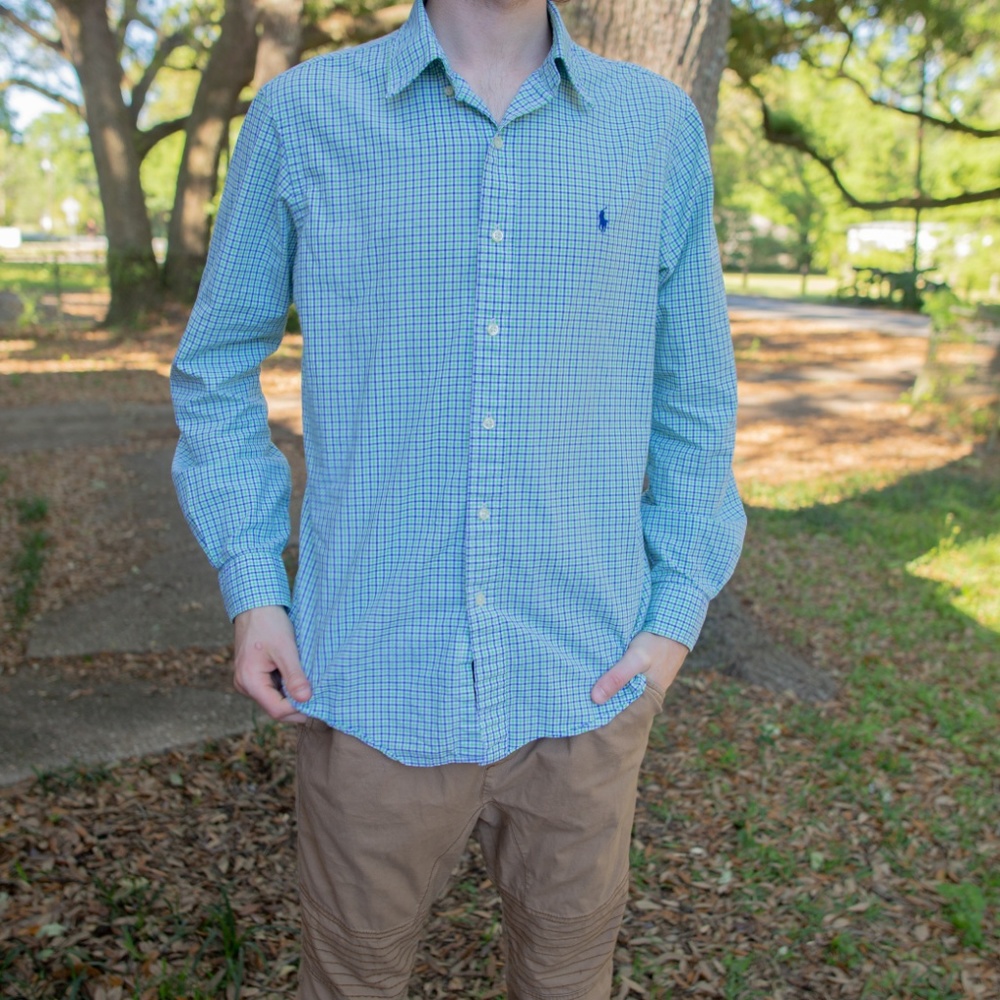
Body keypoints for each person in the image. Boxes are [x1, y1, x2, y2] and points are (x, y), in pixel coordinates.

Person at [170, 0, 746, 995]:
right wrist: (253, 584)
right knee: (350, 979)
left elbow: (696, 391)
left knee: (568, 977)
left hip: (586, 682)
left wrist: (676, 610)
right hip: (369, 679)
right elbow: (215, 366)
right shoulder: (302, 114)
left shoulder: (655, 127)